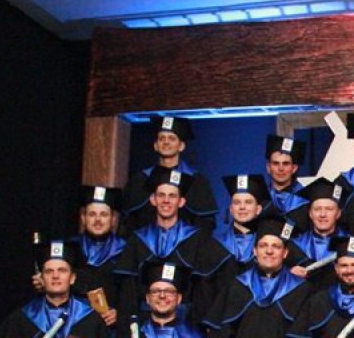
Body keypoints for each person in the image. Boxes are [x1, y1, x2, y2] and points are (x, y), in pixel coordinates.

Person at [202, 218, 314, 338]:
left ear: (285, 253)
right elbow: (218, 336)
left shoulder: (302, 290)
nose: (269, 251)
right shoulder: (237, 286)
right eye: (263, 245)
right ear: (254, 251)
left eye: (276, 246)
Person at [115, 167, 231, 322]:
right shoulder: (138, 239)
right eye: (161, 195)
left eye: (172, 196)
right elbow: (128, 290)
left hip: (187, 322)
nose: (166, 201)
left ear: (181, 202)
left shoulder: (197, 239)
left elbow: (204, 289)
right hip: (145, 321)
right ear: (153, 200)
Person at [123, 115, 218, 231]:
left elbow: (205, 225)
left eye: (172, 138)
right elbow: (128, 224)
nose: (166, 142)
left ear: (181, 146)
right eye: (162, 138)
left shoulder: (196, 181)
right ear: (156, 145)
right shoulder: (140, 180)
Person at [67, 185, 128, 327]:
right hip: (75, 323)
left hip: (109, 326)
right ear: (83, 218)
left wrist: (119, 312)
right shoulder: (70, 249)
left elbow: (130, 294)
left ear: (113, 219)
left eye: (104, 215)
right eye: (92, 214)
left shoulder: (126, 251)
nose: (98, 220)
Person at [289, 178, 348, 292]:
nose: (322, 214)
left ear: (338, 213)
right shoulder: (294, 245)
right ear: (310, 213)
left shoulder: (350, 244)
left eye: (329, 209)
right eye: (317, 209)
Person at [216, 174, 269, 271]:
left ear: (258, 209)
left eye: (248, 202)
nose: (242, 207)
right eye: (237, 202)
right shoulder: (216, 244)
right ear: (231, 209)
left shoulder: (270, 248)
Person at [263, 134, 310, 226]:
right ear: (268, 167)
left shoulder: (306, 201)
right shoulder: (259, 200)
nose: (281, 168)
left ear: (294, 168)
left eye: (286, 163)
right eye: (276, 163)